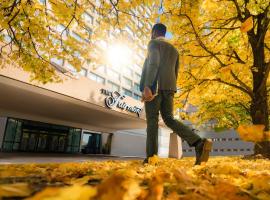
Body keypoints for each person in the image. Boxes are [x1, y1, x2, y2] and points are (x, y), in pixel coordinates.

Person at [140, 23, 212, 165]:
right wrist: (170, 89)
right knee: (169, 119)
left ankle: (151, 159)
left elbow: (154, 63)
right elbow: (175, 72)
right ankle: (198, 142)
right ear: (164, 34)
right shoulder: (174, 50)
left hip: (155, 88)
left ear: (154, 32)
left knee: (153, 122)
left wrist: (148, 85)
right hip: (170, 88)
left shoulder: (153, 43)